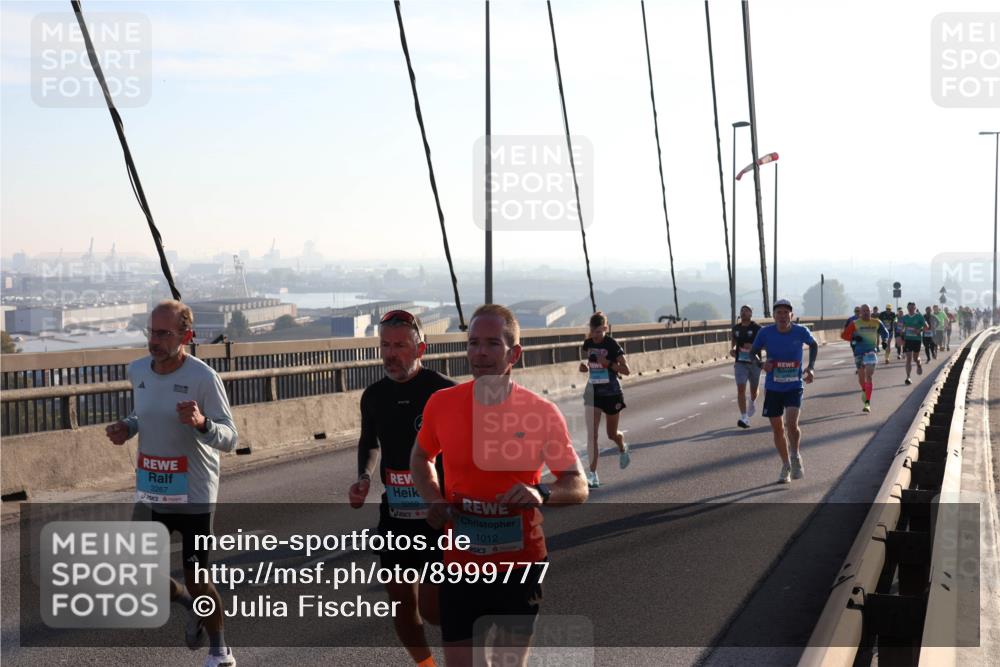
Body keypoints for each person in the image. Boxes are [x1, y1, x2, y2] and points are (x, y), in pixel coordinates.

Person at [410, 304, 588, 667]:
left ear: (514, 354)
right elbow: (420, 458)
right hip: (461, 564)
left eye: (492, 344)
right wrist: (434, 498)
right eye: (474, 343)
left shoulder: (540, 413)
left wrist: (542, 493)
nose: (480, 353)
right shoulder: (442, 404)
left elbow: (578, 485)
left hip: (519, 565)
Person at [105, 300, 238, 667]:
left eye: (164, 333)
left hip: (193, 495)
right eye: (151, 331)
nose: (155, 340)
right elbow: (142, 413)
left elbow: (231, 437)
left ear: (186, 336)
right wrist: (127, 427)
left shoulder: (203, 377)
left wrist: (201, 424)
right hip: (151, 490)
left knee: (198, 581)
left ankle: (220, 649)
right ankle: (189, 607)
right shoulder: (137, 371)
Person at [349, 310, 455, 667]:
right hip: (394, 515)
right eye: (384, 345)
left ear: (420, 348)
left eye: (399, 346)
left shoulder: (444, 392)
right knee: (400, 605)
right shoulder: (374, 395)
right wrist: (364, 476)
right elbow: (370, 442)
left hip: (438, 517)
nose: (390, 354)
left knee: (434, 610)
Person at [750, 299, 818, 484]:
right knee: (778, 429)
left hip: (794, 384)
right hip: (773, 386)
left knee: (791, 424)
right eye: (778, 312)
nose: (782, 316)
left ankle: (795, 455)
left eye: (785, 312)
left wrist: (810, 368)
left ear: (791, 315)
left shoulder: (800, 331)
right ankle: (785, 464)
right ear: (774, 316)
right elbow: (752, 352)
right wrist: (761, 363)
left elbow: (814, 345)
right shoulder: (765, 333)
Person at [579, 311, 631, 488]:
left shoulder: (612, 345)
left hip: (611, 392)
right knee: (592, 434)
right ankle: (593, 474)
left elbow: (626, 370)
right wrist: (584, 366)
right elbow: (587, 362)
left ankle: (622, 445)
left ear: (606, 329)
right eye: (593, 332)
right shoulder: (587, 344)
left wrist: (607, 362)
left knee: (611, 434)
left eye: (599, 332)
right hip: (593, 391)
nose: (596, 335)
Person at [841, 304, 890, 413]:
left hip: (871, 353)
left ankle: (867, 403)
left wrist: (885, 341)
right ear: (860, 313)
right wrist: (853, 337)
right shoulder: (855, 323)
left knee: (869, 375)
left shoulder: (876, 322)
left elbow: (885, 333)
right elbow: (844, 335)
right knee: (861, 378)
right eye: (863, 311)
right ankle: (864, 389)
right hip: (859, 353)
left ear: (871, 311)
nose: (866, 313)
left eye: (867, 310)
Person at [730, 305, 762, 428]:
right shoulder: (736, 328)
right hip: (740, 363)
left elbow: (765, 345)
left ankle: (752, 402)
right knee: (741, 388)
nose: (743, 313)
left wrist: (753, 347)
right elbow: (733, 342)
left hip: (754, 362)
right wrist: (732, 350)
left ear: (751, 314)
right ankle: (744, 417)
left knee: (754, 391)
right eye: (742, 311)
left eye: (746, 311)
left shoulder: (757, 328)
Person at [900, 302, 927, 385]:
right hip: (908, 340)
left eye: (912, 308)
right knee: (908, 359)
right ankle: (908, 377)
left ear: (915, 308)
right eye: (909, 308)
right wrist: (901, 334)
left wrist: (920, 330)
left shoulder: (919, 316)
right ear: (907, 308)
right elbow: (901, 328)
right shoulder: (904, 317)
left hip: (916, 340)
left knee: (915, 358)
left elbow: (926, 326)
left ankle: (919, 364)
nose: (911, 309)